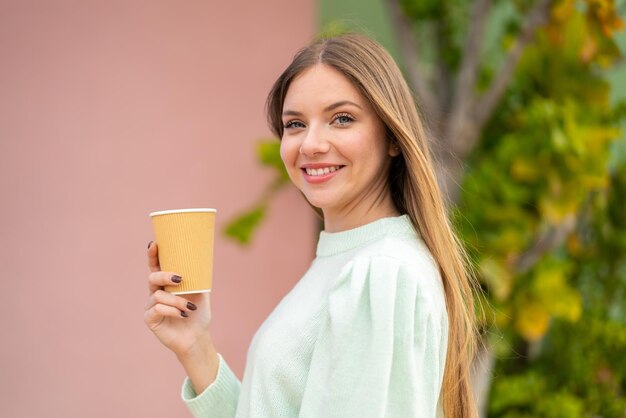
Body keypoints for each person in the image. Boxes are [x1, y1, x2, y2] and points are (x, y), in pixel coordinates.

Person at [144, 33, 478, 418]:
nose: (311, 144)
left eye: (342, 119)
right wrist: (195, 345)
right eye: (295, 124)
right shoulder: (347, 260)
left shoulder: (381, 273)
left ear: (392, 137)